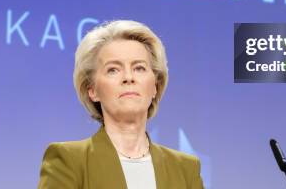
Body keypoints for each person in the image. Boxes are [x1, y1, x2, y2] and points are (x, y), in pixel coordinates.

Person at [37, 20, 205, 189]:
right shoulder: (69, 160)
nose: (128, 77)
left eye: (139, 68)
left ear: (155, 86)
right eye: (113, 70)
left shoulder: (186, 169)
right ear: (92, 90)